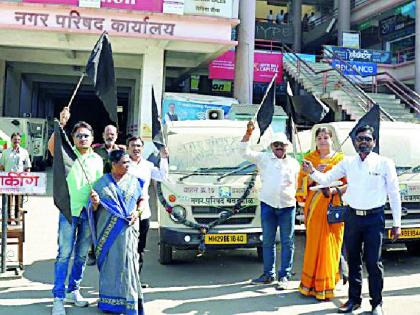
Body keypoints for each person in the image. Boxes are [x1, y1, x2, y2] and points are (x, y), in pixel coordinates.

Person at [302, 125, 402, 315]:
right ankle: (354, 301)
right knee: (353, 260)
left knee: (373, 262)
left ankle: (376, 304)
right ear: (355, 143)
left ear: (374, 142)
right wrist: (312, 171)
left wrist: (397, 223)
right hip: (353, 217)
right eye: (360, 139)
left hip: (374, 218)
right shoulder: (348, 163)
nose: (363, 142)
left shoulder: (384, 163)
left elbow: (394, 194)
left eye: (367, 139)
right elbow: (327, 179)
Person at [48, 107, 103, 315]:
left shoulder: (97, 160)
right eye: (78, 135)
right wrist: (60, 124)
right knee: (64, 255)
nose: (82, 138)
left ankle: (73, 290)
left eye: (86, 136)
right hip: (69, 212)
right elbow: (52, 147)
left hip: (88, 213)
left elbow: (99, 186)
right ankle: (58, 298)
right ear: (73, 138)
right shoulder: (66, 154)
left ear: (92, 138)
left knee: (81, 256)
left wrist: (97, 200)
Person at [241, 121, 300, 290]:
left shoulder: (294, 164)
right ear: (272, 146)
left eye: (282, 145)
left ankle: (284, 275)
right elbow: (243, 152)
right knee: (267, 241)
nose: (279, 147)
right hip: (268, 205)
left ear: (287, 146)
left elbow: (297, 184)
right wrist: (248, 133)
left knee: (288, 242)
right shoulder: (263, 158)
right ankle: (268, 274)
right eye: (276, 145)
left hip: (288, 206)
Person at [88, 150, 145, 315]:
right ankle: (109, 303)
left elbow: (141, 199)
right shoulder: (101, 184)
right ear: (113, 164)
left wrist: (137, 212)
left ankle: (131, 301)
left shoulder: (134, 182)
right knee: (111, 265)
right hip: (109, 233)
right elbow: (92, 209)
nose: (127, 166)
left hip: (129, 231)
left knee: (129, 266)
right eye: (123, 163)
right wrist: (95, 203)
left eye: (128, 162)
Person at [296, 127, 346, 301]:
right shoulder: (309, 159)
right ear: (315, 141)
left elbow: (348, 184)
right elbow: (301, 183)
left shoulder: (341, 159)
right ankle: (309, 285)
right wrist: (312, 174)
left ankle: (327, 285)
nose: (323, 141)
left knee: (330, 244)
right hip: (314, 207)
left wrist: (333, 189)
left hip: (333, 206)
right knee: (314, 244)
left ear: (332, 140)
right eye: (319, 138)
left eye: (326, 137)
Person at [127, 136, 169, 288]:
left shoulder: (148, 165)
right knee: (126, 249)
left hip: (143, 214)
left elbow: (163, 176)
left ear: (142, 149)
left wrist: (164, 158)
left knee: (139, 249)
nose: (136, 148)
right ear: (128, 148)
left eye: (139, 146)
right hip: (127, 214)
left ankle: (136, 281)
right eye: (133, 145)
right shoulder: (124, 165)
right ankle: (125, 281)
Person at [87, 124, 126, 266]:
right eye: (107, 133)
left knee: (112, 221)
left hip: (115, 191)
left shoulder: (121, 151)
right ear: (103, 135)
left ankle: (109, 251)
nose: (110, 136)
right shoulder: (96, 150)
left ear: (116, 135)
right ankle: (93, 252)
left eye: (112, 134)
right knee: (96, 220)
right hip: (98, 189)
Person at [0, 132, 31, 223]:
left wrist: (27, 180)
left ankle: (17, 220)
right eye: (15, 139)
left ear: (20, 141)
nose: (16, 141)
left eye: (18, 140)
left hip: (19, 181)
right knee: (8, 201)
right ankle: (8, 220)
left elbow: (27, 167)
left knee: (18, 201)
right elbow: (1, 167)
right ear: (11, 140)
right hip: (8, 181)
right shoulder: (5, 152)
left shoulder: (24, 152)